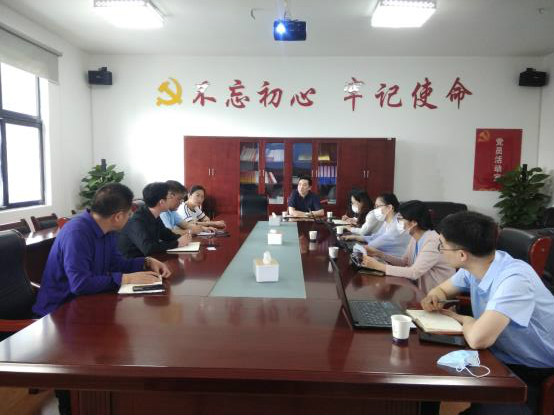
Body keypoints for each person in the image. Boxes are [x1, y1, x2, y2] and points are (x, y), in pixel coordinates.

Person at [422, 211, 554, 415]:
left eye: (442, 245)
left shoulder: (515, 279)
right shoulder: (478, 265)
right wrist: (434, 297)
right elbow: (441, 290)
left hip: (536, 369)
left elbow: (478, 339)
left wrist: (465, 319)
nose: (441, 251)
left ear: (462, 255)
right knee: (429, 376)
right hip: (501, 355)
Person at [33, 183, 171, 317]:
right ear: (118, 217)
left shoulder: (108, 230)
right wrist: (126, 279)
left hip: (88, 302)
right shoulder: (77, 233)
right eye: (129, 215)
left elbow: (117, 264)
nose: (130, 219)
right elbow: (80, 284)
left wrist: (146, 262)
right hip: (59, 312)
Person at [361, 200, 455, 294]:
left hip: (435, 297)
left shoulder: (433, 241)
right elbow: (404, 262)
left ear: (413, 223)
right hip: (419, 291)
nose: (398, 222)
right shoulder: (415, 237)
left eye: (401, 219)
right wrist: (379, 254)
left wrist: (379, 266)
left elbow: (414, 272)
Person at [118, 182, 192, 258]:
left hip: (149, 259)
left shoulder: (154, 214)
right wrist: (177, 243)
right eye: (170, 197)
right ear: (161, 202)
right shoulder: (137, 220)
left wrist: (182, 238)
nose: (172, 199)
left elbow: (166, 235)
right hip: (133, 262)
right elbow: (148, 248)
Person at [341, 193, 410, 257]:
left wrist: (359, 247)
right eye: (375, 206)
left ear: (389, 207)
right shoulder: (387, 221)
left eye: (378, 206)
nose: (375, 210)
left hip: (395, 261)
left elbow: (373, 244)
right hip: (386, 256)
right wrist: (355, 237)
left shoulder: (397, 224)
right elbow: (376, 236)